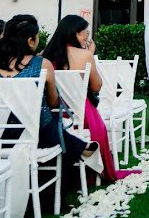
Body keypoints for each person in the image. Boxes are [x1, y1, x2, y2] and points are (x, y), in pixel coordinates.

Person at [0, 15, 95, 161]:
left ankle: (80, 146)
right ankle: (79, 147)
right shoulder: (41, 64)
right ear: (30, 41)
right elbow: (53, 102)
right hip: (31, 132)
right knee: (49, 119)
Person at [42, 15, 139, 182]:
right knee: (97, 121)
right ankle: (94, 171)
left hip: (52, 113)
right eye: (84, 34)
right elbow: (96, 86)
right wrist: (90, 55)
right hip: (80, 113)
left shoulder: (44, 55)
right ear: (74, 33)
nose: (87, 38)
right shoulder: (84, 55)